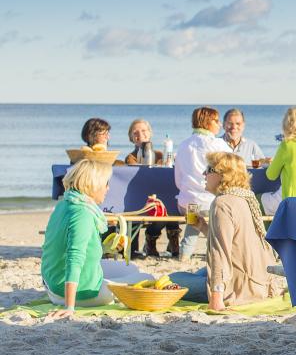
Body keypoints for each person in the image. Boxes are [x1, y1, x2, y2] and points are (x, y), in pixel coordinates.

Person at [41, 160, 152, 317]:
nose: (108, 188)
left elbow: (65, 247)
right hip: (73, 293)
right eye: (105, 183)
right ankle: (72, 300)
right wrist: (69, 307)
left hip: (53, 283)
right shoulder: (82, 214)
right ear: (92, 184)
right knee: (147, 278)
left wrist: (107, 248)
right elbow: (74, 257)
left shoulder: (66, 203)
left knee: (131, 269)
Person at [171, 153, 276, 310]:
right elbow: (232, 243)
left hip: (239, 288)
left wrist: (216, 298)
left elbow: (219, 253)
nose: (204, 174)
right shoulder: (245, 198)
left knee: (170, 279)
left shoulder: (222, 203)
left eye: (209, 169)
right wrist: (204, 228)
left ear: (222, 175)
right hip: (259, 280)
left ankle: (216, 289)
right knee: (200, 272)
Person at [174, 107, 232, 258]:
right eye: (216, 121)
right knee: (213, 208)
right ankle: (216, 250)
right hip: (209, 204)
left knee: (194, 213)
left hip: (186, 203)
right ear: (207, 122)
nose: (220, 125)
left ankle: (185, 253)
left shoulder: (183, 145)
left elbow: (178, 181)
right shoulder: (219, 145)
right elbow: (232, 170)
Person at [124, 119, 180, 258]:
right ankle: (151, 240)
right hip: (140, 198)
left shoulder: (161, 155)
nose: (140, 134)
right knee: (162, 206)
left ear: (150, 134)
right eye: (135, 132)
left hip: (159, 195)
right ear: (131, 138)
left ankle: (166, 241)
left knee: (170, 203)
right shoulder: (130, 157)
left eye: (143, 131)